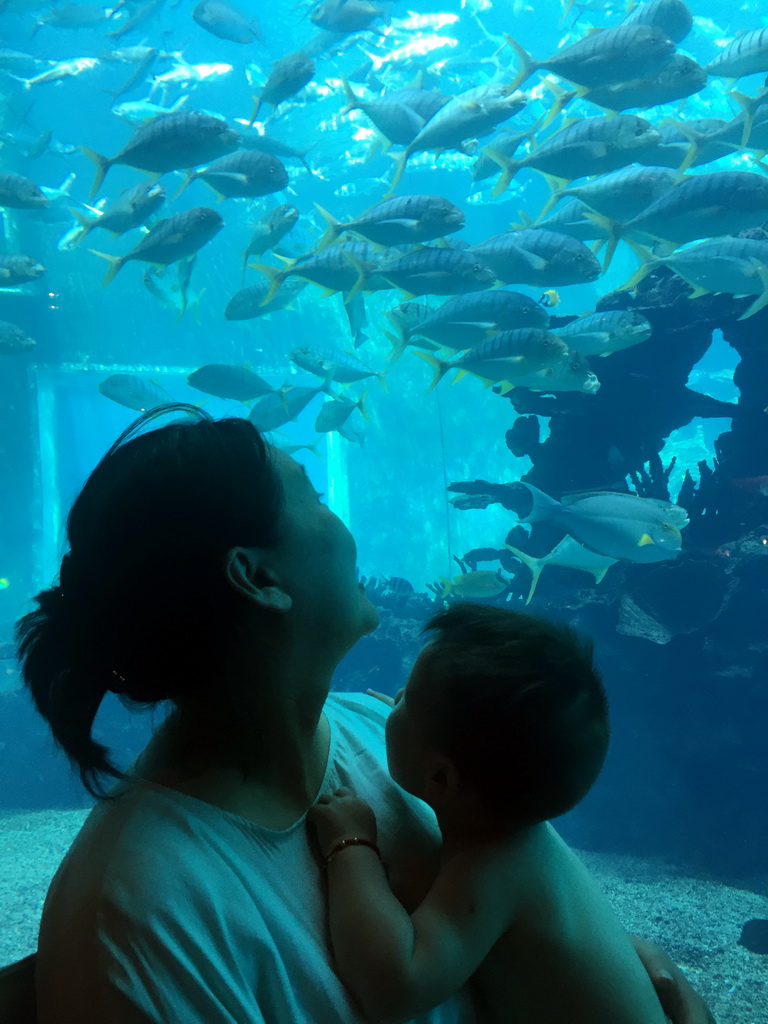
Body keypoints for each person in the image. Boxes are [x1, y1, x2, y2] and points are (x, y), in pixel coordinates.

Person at [12, 404, 715, 1024]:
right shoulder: (142, 916)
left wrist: (630, 968)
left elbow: (544, 924)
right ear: (259, 577)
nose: (342, 527)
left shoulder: (391, 736)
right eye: (315, 499)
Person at [309, 603, 667, 1024]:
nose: (395, 699)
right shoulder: (523, 836)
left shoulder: (494, 865)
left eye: (408, 698)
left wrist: (352, 848)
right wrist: (416, 729)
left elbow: (398, 986)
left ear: (441, 778)